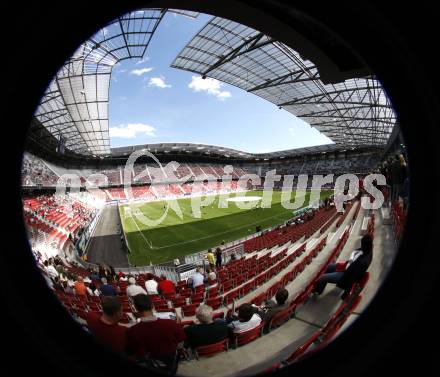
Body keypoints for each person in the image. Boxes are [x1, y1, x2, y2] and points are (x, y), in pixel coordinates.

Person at [127, 294, 186, 375]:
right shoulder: (171, 323)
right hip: (172, 361)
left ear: (135, 308)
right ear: (152, 305)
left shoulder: (132, 331)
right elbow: (181, 343)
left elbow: (138, 354)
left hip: (151, 364)